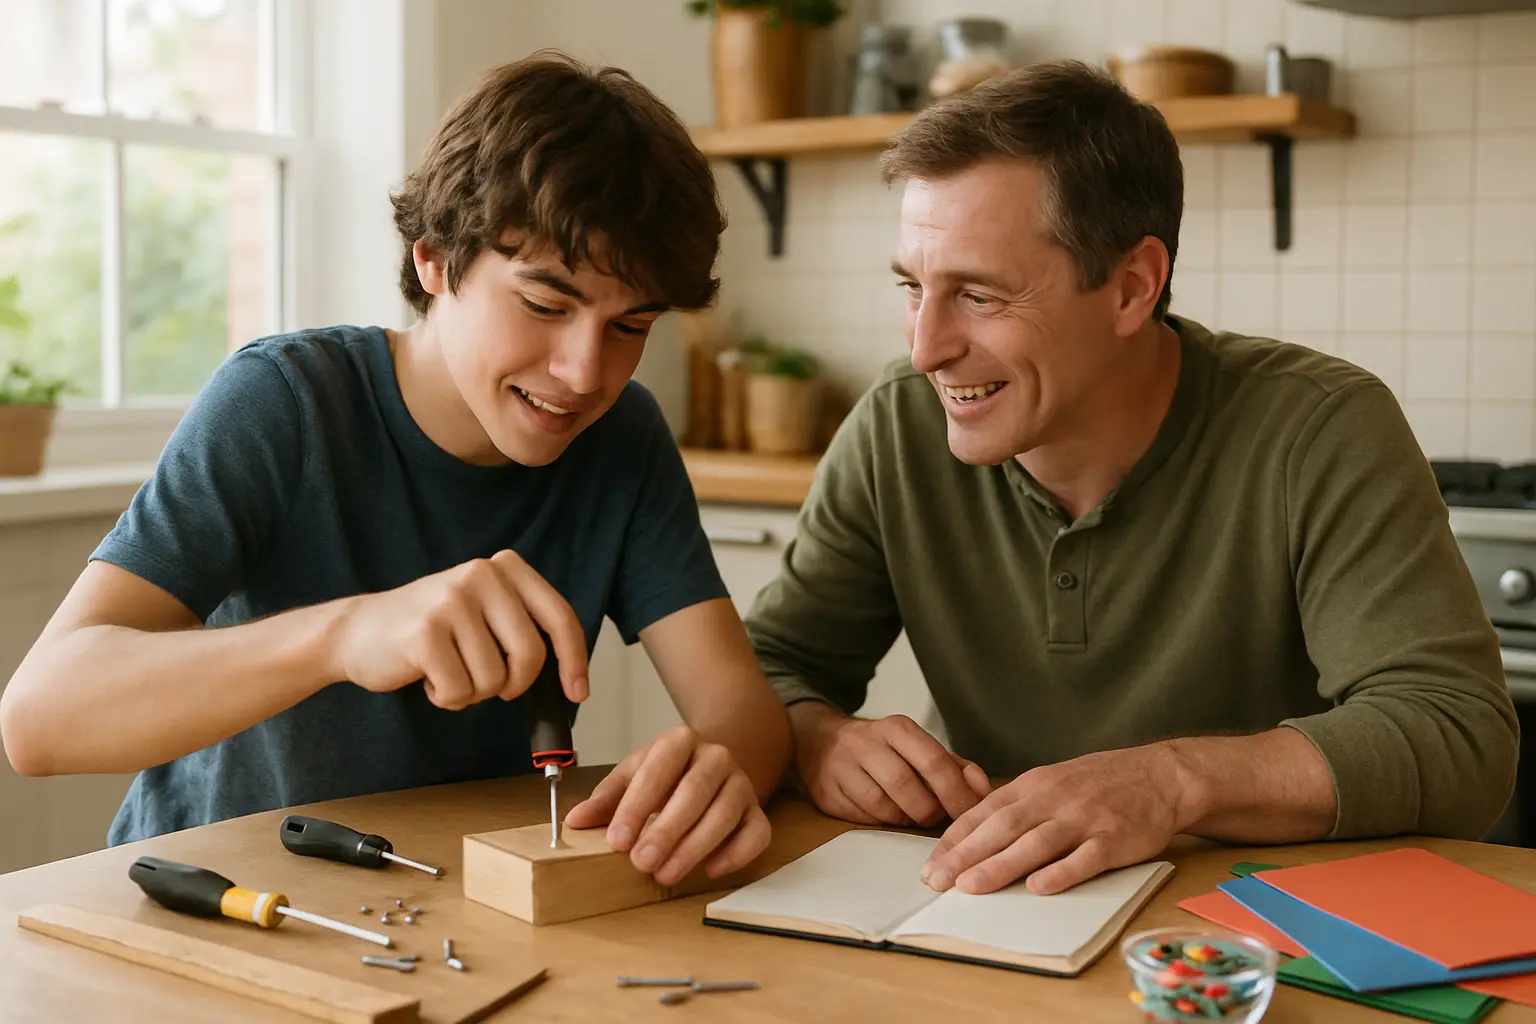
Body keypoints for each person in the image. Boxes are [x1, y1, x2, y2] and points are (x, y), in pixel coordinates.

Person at [0, 52, 790, 890]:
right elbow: (40, 719)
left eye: (631, 325)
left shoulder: (622, 438)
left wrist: (711, 769)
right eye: (545, 305)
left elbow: (741, 710)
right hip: (214, 896)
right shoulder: (284, 403)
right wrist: (346, 635)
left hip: (445, 901)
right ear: (434, 262)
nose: (585, 371)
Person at [745, 60, 1519, 899]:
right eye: (912, 287)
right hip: (984, 916)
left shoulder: (1320, 428)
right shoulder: (897, 427)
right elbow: (770, 670)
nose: (927, 347)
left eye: (979, 295)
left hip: (1251, 948)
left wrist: (1172, 781)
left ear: (1131, 288)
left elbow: (1458, 738)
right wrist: (815, 736)